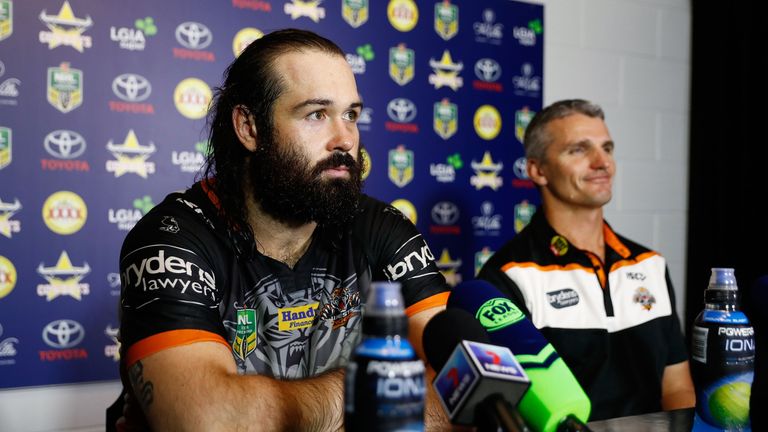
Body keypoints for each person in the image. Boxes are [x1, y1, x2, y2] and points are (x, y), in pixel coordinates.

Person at [116, 28, 450, 431]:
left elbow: (455, 387)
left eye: (351, 115)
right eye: (316, 114)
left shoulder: (383, 229)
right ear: (249, 128)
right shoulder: (172, 240)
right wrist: (377, 390)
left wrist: (271, 410)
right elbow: (208, 420)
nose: (345, 139)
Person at [477, 99, 695, 421]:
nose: (602, 162)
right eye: (579, 150)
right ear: (537, 170)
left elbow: (677, 386)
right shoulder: (507, 276)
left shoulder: (649, 265)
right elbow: (512, 410)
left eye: (607, 148)